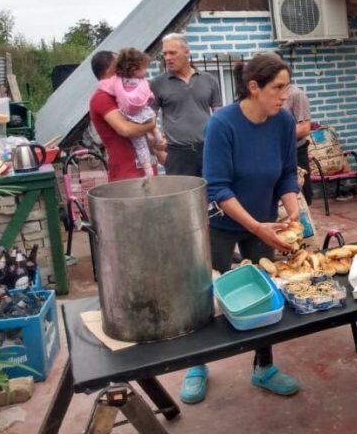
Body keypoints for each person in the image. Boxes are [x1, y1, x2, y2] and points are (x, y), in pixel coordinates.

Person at [187, 53, 300, 403]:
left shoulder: (282, 122)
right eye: (278, 88)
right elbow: (218, 188)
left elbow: (286, 174)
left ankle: (263, 366)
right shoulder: (222, 124)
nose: (285, 95)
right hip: (223, 223)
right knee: (207, 293)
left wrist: (293, 215)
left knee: (265, 292)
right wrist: (256, 227)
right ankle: (197, 364)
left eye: (287, 87)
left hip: (265, 221)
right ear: (254, 87)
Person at [150, 33, 222, 177]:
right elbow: (149, 119)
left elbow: (219, 118)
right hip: (177, 154)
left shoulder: (209, 80)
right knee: (180, 198)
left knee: (212, 195)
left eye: (172, 53)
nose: (168, 58)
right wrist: (158, 150)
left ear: (187, 52)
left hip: (207, 150)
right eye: (165, 54)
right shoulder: (158, 83)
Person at [88, 51, 162, 182]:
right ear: (111, 68)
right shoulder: (102, 97)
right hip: (127, 176)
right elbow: (126, 129)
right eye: (120, 64)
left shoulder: (122, 93)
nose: (126, 67)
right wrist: (151, 124)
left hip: (145, 172)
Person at [284, 82, 313, 204]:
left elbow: (304, 128)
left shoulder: (296, 95)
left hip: (296, 151)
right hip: (277, 153)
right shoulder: (267, 94)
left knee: (301, 196)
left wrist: (274, 135)